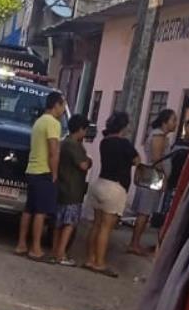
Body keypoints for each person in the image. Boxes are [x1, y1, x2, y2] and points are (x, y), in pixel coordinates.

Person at [84, 111, 139, 278]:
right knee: (106, 229)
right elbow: (137, 160)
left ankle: (90, 258)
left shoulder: (105, 142)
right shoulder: (125, 144)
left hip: (100, 183)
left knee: (96, 225)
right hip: (115, 189)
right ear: (124, 126)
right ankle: (100, 263)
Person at [15, 91, 67, 262]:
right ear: (56, 105)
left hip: (32, 169)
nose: (64, 109)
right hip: (44, 171)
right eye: (63, 105)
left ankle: (22, 244)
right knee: (41, 211)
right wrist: (54, 173)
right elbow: (54, 151)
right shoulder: (53, 123)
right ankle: (35, 248)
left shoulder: (39, 122)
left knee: (29, 209)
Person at [128, 108, 178, 256]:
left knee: (145, 212)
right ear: (165, 122)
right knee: (144, 212)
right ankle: (134, 243)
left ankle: (135, 242)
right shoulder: (159, 136)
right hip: (153, 178)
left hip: (152, 178)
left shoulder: (161, 136)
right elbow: (157, 159)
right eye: (173, 120)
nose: (175, 123)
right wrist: (164, 179)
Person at [52, 114, 93, 267]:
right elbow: (83, 165)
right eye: (85, 130)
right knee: (69, 223)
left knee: (58, 223)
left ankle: (56, 251)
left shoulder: (65, 143)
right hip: (72, 189)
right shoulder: (73, 145)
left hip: (62, 187)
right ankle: (61, 253)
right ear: (81, 129)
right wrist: (89, 161)